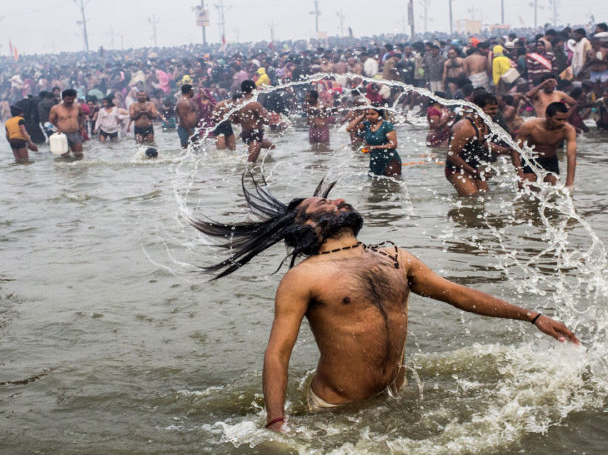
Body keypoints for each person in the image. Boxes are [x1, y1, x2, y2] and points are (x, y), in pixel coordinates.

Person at [191, 176, 579, 432]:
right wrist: (276, 422)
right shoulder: (304, 278)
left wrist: (532, 316)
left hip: (397, 394)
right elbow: (277, 353)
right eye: (324, 204)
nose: (339, 200)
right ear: (307, 225)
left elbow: (457, 294)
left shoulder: (394, 255)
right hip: (336, 411)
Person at [444, 92, 509, 195]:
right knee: (472, 199)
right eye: (491, 109)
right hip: (455, 170)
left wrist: (505, 151)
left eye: (496, 108)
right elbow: (452, 155)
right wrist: (474, 172)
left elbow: (483, 143)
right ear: (478, 108)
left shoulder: (483, 124)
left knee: (484, 196)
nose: (495, 112)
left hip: (473, 167)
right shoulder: (465, 127)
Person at [512, 102, 577, 188]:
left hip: (550, 160)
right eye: (558, 119)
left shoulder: (568, 130)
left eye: (565, 119)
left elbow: (571, 156)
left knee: (552, 193)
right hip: (530, 159)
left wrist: (569, 182)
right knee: (526, 191)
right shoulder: (530, 126)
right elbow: (515, 151)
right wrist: (520, 176)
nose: (562, 123)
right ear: (547, 117)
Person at [346, 106, 402, 177]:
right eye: (367, 114)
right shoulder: (366, 125)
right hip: (375, 160)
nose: (369, 116)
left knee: (392, 184)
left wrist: (375, 147)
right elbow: (349, 129)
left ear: (380, 115)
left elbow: (393, 145)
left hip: (390, 160)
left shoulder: (387, 125)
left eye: (372, 114)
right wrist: (362, 116)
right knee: (375, 185)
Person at [238, 80, 276, 162]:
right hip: (255, 135)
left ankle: (264, 160)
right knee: (251, 164)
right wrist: (266, 113)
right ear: (253, 89)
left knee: (271, 146)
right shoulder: (255, 104)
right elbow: (266, 121)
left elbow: (235, 120)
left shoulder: (239, 103)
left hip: (245, 134)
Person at [48, 88, 85, 159]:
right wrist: (56, 129)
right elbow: (50, 122)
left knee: (79, 155)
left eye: (72, 99)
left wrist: (81, 126)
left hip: (75, 133)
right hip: (62, 135)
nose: (70, 101)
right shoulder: (56, 108)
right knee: (65, 156)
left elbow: (82, 116)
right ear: (63, 98)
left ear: (75, 98)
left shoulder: (78, 106)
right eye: (68, 99)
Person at [176, 84, 198, 149]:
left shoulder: (189, 100)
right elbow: (183, 118)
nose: (194, 92)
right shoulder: (182, 102)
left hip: (192, 129)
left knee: (196, 149)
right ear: (190, 91)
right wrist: (189, 132)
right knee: (186, 149)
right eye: (193, 90)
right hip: (186, 130)